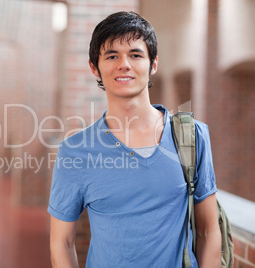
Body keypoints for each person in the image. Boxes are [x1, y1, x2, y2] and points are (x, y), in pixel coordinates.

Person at [48, 11, 221, 267]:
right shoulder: (75, 151)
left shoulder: (191, 136)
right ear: (94, 66)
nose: (124, 64)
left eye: (136, 54)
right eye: (112, 56)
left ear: (153, 64)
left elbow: (208, 231)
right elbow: (61, 242)